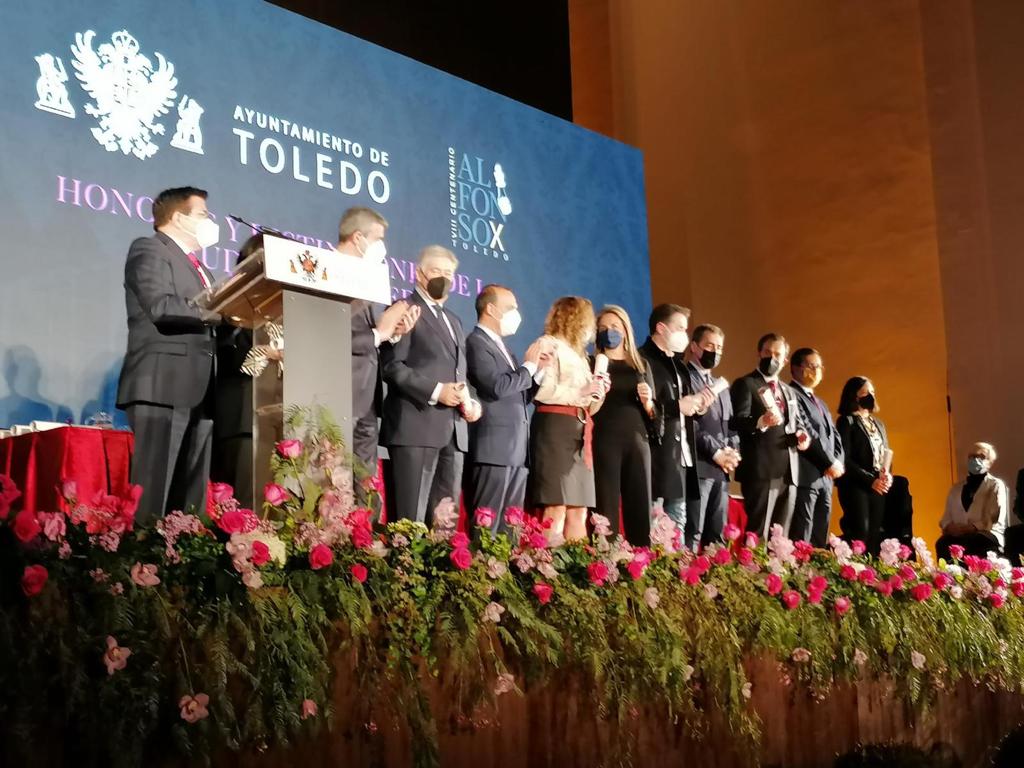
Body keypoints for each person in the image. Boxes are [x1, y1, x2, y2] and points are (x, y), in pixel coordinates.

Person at [116, 186, 223, 524]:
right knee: (154, 491)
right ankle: (145, 553)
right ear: (178, 217)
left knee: (191, 496)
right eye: (203, 214)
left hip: (200, 387)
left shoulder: (201, 268)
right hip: (162, 383)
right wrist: (220, 310)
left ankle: (185, 551)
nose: (210, 221)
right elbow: (161, 306)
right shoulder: (149, 248)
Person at [380, 245, 479, 524]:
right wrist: (437, 391)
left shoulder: (454, 320)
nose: (443, 278)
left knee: (445, 521)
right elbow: (392, 366)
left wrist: (469, 400)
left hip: (453, 432)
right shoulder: (404, 310)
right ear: (419, 274)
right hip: (416, 426)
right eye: (437, 271)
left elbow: (459, 372)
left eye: (449, 273)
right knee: (410, 521)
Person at [335, 207, 419, 487]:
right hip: (338, 392)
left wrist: (392, 333)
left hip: (367, 398)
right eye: (378, 238)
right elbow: (329, 335)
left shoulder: (364, 277)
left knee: (366, 487)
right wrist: (378, 333)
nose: (382, 246)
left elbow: (371, 335)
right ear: (358, 237)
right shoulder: (326, 272)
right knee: (335, 484)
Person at [465, 284, 551, 532]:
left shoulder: (503, 347)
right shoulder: (476, 342)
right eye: (511, 307)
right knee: (486, 524)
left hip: (515, 450)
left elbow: (520, 396)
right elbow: (496, 386)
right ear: (491, 309)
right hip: (492, 449)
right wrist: (528, 367)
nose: (516, 313)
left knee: (510, 527)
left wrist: (538, 372)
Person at [527, 296, 607, 542]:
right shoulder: (548, 344)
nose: (591, 327)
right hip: (555, 428)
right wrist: (581, 391)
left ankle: (576, 563)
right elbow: (541, 391)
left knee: (579, 510)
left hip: (580, 431)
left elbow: (589, 405)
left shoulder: (581, 356)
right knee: (556, 507)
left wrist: (599, 392)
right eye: (589, 320)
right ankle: (545, 561)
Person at [638, 304, 711, 545]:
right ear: (661, 328)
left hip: (681, 458)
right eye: (680, 328)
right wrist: (677, 406)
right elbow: (642, 408)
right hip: (657, 457)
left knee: (677, 529)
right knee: (654, 528)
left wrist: (699, 406)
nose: (684, 334)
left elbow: (685, 408)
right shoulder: (642, 360)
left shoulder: (679, 365)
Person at [730, 333, 810, 539]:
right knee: (758, 532)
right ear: (759, 353)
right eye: (767, 352)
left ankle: (777, 561)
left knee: (780, 535)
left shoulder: (789, 391)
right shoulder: (746, 384)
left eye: (777, 354)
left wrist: (802, 435)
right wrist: (761, 421)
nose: (771, 358)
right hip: (761, 469)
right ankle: (752, 560)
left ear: (785, 360)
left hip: (789, 470)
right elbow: (737, 421)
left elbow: (798, 422)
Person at [592, 305, 656, 544]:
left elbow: (654, 414)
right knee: (605, 505)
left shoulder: (641, 366)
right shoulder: (592, 363)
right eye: (603, 328)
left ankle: (641, 558)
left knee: (639, 504)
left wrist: (648, 402)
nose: (609, 332)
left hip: (637, 440)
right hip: (604, 439)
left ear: (626, 331)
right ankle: (605, 557)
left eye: (614, 327)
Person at [685, 323, 740, 548]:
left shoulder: (721, 387)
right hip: (698, 467)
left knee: (716, 538)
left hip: (721, 471)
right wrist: (716, 452)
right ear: (694, 347)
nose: (715, 352)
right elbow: (690, 425)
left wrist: (732, 453)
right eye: (709, 346)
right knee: (693, 532)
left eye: (719, 348)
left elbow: (731, 425)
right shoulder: (685, 378)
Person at [787, 348, 845, 547]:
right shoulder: (792, 395)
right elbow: (807, 431)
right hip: (807, 475)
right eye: (812, 366)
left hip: (826, 479)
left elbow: (834, 435)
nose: (817, 370)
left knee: (820, 536)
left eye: (819, 366)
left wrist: (838, 462)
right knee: (802, 535)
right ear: (796, 368)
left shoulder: (821, 403)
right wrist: (828, 462)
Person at [835, 376, 892, 554]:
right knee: (861, 531)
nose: (871, 396)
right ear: (854, 396)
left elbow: (886, 453)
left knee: (875, 533)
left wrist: (887, 475)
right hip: (856, 484)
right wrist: (869, 481)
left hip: (878, 484)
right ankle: (853, 566)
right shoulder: (847, 421)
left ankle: (872, 567)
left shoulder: (879, 424)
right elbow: (844, 458)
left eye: (872, 392)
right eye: (866, 393)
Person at [936, 442, 1009, 559]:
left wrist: (972, 527)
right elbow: (946, 516)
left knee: (975, 541)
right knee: (942, 543)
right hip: (959, 534)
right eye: (972, 456)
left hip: (986, 533)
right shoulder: (956, 488)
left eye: (981, 456)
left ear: (990, 462)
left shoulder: (995, 485)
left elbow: (993, 517)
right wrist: (949, 527)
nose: (975, 459)